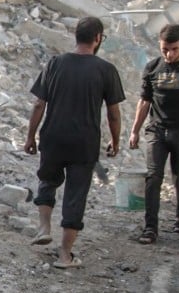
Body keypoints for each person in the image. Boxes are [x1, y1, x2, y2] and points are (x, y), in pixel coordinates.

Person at [24, 17, 125, 268]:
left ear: (75, 36)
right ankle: (65, 255)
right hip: (85, 142)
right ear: (98, 38)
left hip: (53, 136)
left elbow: (39, 104)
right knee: (75, 195)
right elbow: (113, 113)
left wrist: (30, 136)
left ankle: (44, 228)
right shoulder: (106, 69)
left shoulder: (55, 63)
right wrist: (115, 140)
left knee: (47, 180)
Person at [128, 23, 179, 244]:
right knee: (153, 177)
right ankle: (150, 228)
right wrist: (134, 131)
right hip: (157, 131)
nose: (169, 54)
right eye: (165, 49)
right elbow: (144, 101)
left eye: (174, 49)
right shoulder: (152, 67)